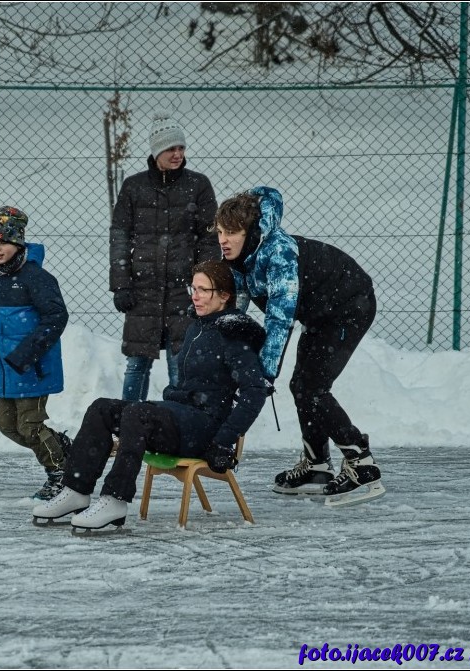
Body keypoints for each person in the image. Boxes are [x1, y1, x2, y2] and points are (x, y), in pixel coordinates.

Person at [32, 260, 268, 531]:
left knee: (138, 413)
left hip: (205, 429)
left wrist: (224, 442)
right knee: (102, 408)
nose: (196, 295)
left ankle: (115, 499)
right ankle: (76, 490)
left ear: (225, 295)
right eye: (194, 287)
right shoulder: (197, 327)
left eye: (205, 290)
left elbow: (255, 392)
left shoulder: (235, 336)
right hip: (181, 417)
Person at [214, 186, 383, 504]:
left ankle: (362, 465)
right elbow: (234, 310)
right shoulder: (239, 257)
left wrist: (264, 373)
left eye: (231, 232)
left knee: (313, 386)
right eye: (220, 231)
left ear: (249, 231)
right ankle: (317, 466)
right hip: (319, 312)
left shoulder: (279, 254)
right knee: (302, 385)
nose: (223, 239)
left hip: (349, 305)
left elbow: (279, 319)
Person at [0, 206, 72, 500]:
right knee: (6, 425)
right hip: (3, 369)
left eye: (4, 242)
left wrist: (25, 355)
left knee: (30, 425)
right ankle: (60, 445)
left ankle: (61, 474)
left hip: (31, 367)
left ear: (18, 242)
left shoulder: (35, 276)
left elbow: (56, 317)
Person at [109, 111, 219, 401]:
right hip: (143, 290)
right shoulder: (134, 187)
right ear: (156, 150)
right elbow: (119, 236)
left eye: (181, 148)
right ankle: (126, 424)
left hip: (185, 292)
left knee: (180, 365)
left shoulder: (199, 185)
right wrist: (121, 283)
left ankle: (181, 426)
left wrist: (204, 284)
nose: (177, 154)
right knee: (137, 364)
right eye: (171, 148)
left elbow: (210, 238)